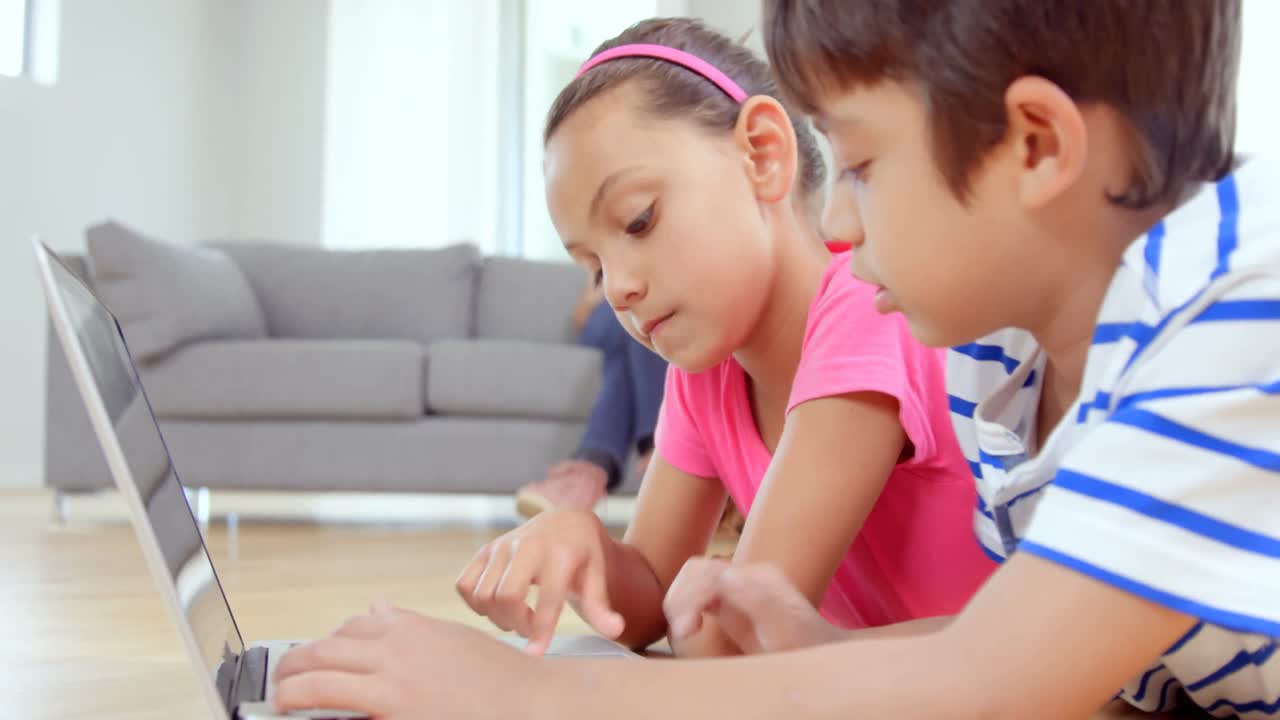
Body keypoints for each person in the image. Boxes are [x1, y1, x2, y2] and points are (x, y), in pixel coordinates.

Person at [275, 2, 1278, 717]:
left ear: (1036, 144)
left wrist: (530, 694)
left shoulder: (1237, 305)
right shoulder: (1001, 363)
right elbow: (1032, 649)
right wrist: (827, 657)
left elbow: (995, 676)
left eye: (861, 165)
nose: (836, 218)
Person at [458, 16, 990, 659]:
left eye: (639, 220)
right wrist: (583, 543)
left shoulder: (864, 311)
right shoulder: (703, 375)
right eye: (594, 268)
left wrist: (713, 608)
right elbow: (648, 603)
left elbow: (738, 632)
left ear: (761, 154)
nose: (618, 288)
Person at [514, 272, 668, 517]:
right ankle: (658, 445)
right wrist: (590, 301)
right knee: (635, 316)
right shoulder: (604, 268)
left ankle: (590, 469)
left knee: (623, 362)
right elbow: (580, 321)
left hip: (636, 329)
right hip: (608, 322)